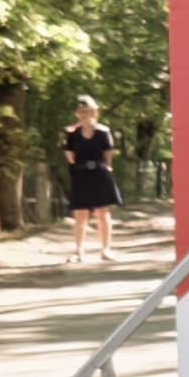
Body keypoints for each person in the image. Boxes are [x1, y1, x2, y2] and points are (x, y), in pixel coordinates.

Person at [61, 96, 118, 262]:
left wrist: (105, 168)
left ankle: (106, 250)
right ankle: (79, 251)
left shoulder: (103, 132)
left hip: (100, 174)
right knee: (80, 214)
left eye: (88, 111)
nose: (85, 115)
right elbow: (70, 156)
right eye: (81, 112)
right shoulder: (72, 133)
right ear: (77, 114)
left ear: (94, 112)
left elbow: (108, 155)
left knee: (103, 212)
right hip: (81, 175)